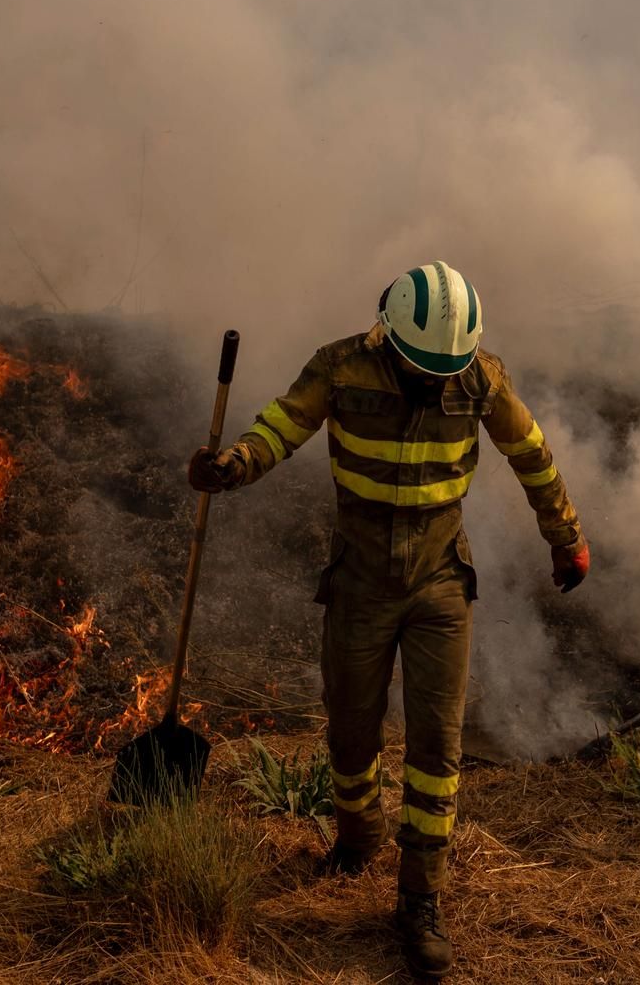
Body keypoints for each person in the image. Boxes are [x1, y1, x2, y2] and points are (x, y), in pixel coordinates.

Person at [189, 261, 588, 978]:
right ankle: (357, 836)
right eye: (422, 366)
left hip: (439, 583)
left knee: (437, 747)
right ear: (388, 337)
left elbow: (531, 454)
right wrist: (236, 464)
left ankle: (419, 900)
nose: (435, 381)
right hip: (361, 580)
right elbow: (286, 422)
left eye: (445, 370)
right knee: (351, 729)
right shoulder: (340, 366)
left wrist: (566, 537)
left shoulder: (479, 378)